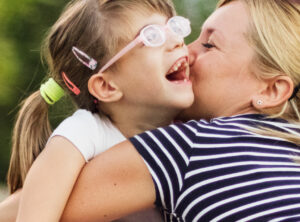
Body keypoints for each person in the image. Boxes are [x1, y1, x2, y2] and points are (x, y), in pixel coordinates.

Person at [52, 0, 300, 221]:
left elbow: (31, 208)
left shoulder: (197, 144)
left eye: (209, 45)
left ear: (271, 91)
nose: (186, 50)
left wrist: (69, 146)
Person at [0, 0, 194, 222]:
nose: (178, 42)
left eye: (174, 26)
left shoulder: (195, 130)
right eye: (152, 36)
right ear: (107, 86)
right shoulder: (83, 135)